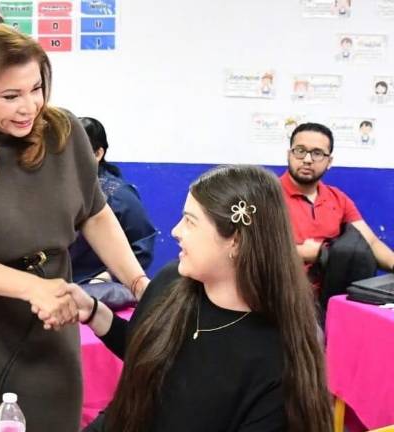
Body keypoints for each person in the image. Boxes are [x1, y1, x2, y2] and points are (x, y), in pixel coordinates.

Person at [0, 25, 149, 431]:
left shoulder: (64, 131)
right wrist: (35, 289)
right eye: (10, 97)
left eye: (36, 89)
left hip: (54, 315)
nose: (29, 106)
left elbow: (95, 215)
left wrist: (137, 282)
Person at [70, 165, 332, 431]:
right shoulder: (172, 281)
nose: (175, 231)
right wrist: (93, 312)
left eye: (190, 221)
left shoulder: (276, 361)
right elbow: (145, 350)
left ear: (236, 240)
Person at [281, 122, 394, 288]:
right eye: (300, 151)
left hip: (331, 299)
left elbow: (371, 242)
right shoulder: (266, 195)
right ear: (289, 154)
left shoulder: (337, 198)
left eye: (317, 153)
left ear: (329, 161)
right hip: (278, 300)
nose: (307, 159)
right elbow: (245, 252)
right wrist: (299, 253)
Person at [70, 116, 157, 282]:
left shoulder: (119, 195)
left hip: (96, 288)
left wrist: (107, 276)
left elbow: (142, 246)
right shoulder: (57, 189)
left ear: (97, 154)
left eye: (76, 153)